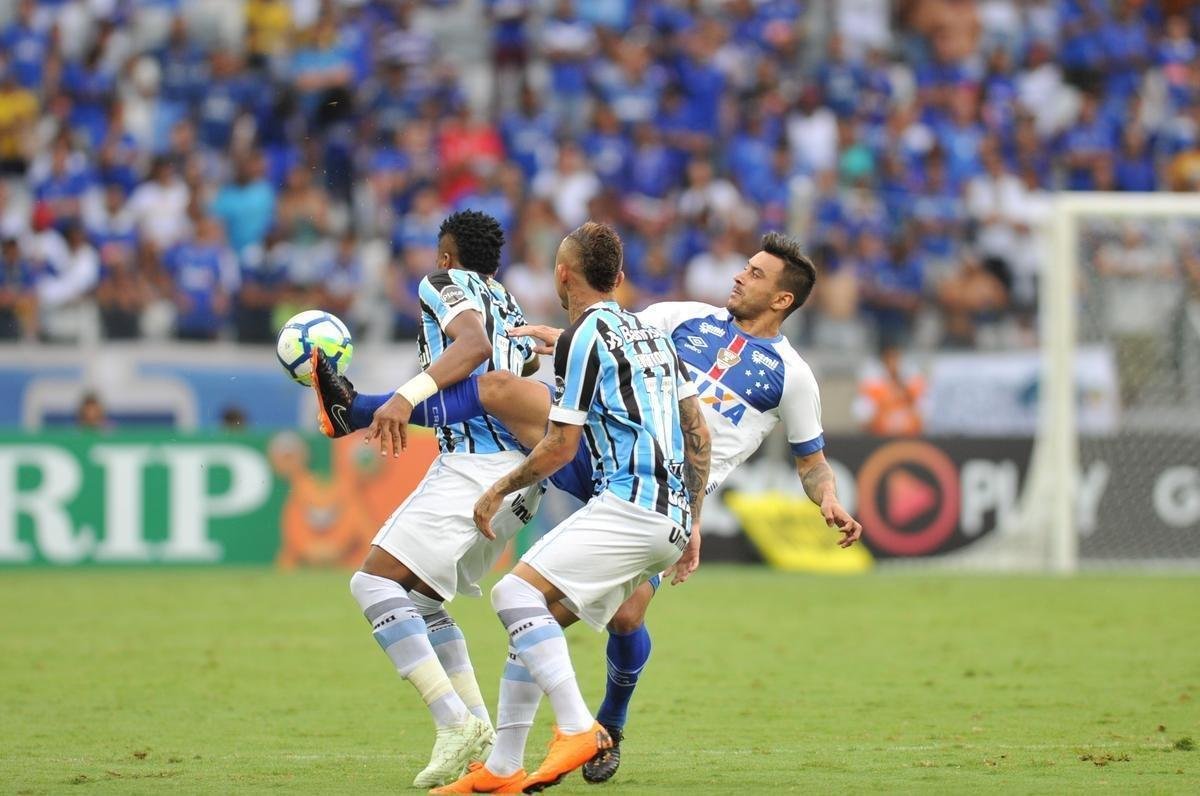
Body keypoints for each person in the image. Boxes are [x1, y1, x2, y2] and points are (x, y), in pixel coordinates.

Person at [313, 230, 863, 784]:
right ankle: (356, 409)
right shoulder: (683, 318)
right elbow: (614, 336)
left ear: (782, 300)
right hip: (603, 454)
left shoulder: (793, 377)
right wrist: (564, 339)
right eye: (746, 266)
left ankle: (599, 729)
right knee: (501, 389)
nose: (740, 275)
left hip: (660, 487)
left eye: (756, 274)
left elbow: (810, 462)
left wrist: (829, 498)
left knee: (601, 616)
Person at [437, 220, 710, 793]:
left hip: (629, 507)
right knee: (531, 625)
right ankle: (503, 770)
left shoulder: (586, 336)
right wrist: (696, 522)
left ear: (562, 276)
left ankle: (578, 727)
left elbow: (560, 445)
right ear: (620, 277)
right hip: (671, 519)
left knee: (514, 593)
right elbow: (696, 430)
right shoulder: (651, 333)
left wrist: (498, 488)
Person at [331, 210, 542, 789]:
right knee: (421, 604)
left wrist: (404, 396)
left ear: (447, 256)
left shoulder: (441, 283)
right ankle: (480, 732)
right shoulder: (510, 305)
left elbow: (470, 347)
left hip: (477, 471)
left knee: (372, 584)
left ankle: (454, 722)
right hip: (518, 483)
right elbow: (504, 381)